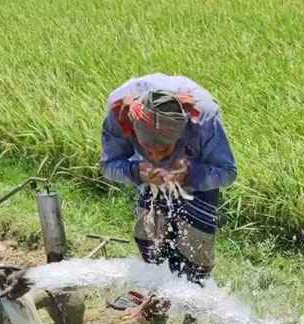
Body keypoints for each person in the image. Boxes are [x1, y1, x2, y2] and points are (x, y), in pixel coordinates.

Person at [99, 73, 237, 284]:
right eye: (148, 149)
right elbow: (109, 165)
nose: (156, 157)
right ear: (134, 131)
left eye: (164, 149)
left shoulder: (204, 118)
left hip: (196, 172)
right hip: (148, 180)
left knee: (196, 243)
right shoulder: (120, 113)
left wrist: (191, 174)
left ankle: (194, 300)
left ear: (182, 134)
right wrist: (137, 171)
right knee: (151, 237)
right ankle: (156, 297)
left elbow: (227, 172)